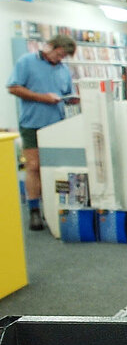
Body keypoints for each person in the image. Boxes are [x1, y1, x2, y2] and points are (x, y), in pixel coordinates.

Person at [6, 34, 79, 231]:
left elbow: (67, 92)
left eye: (64, 57)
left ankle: (53, 210)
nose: (59, 59)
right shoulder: (26, 62)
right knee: (34, 166)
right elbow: (13, 88)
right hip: (32, 122)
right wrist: (42, 98)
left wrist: (72, 99)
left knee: (54, 167)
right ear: (50, 46)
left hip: (56, 124)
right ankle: (34, 211)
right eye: (59, 54)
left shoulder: (63, 69)